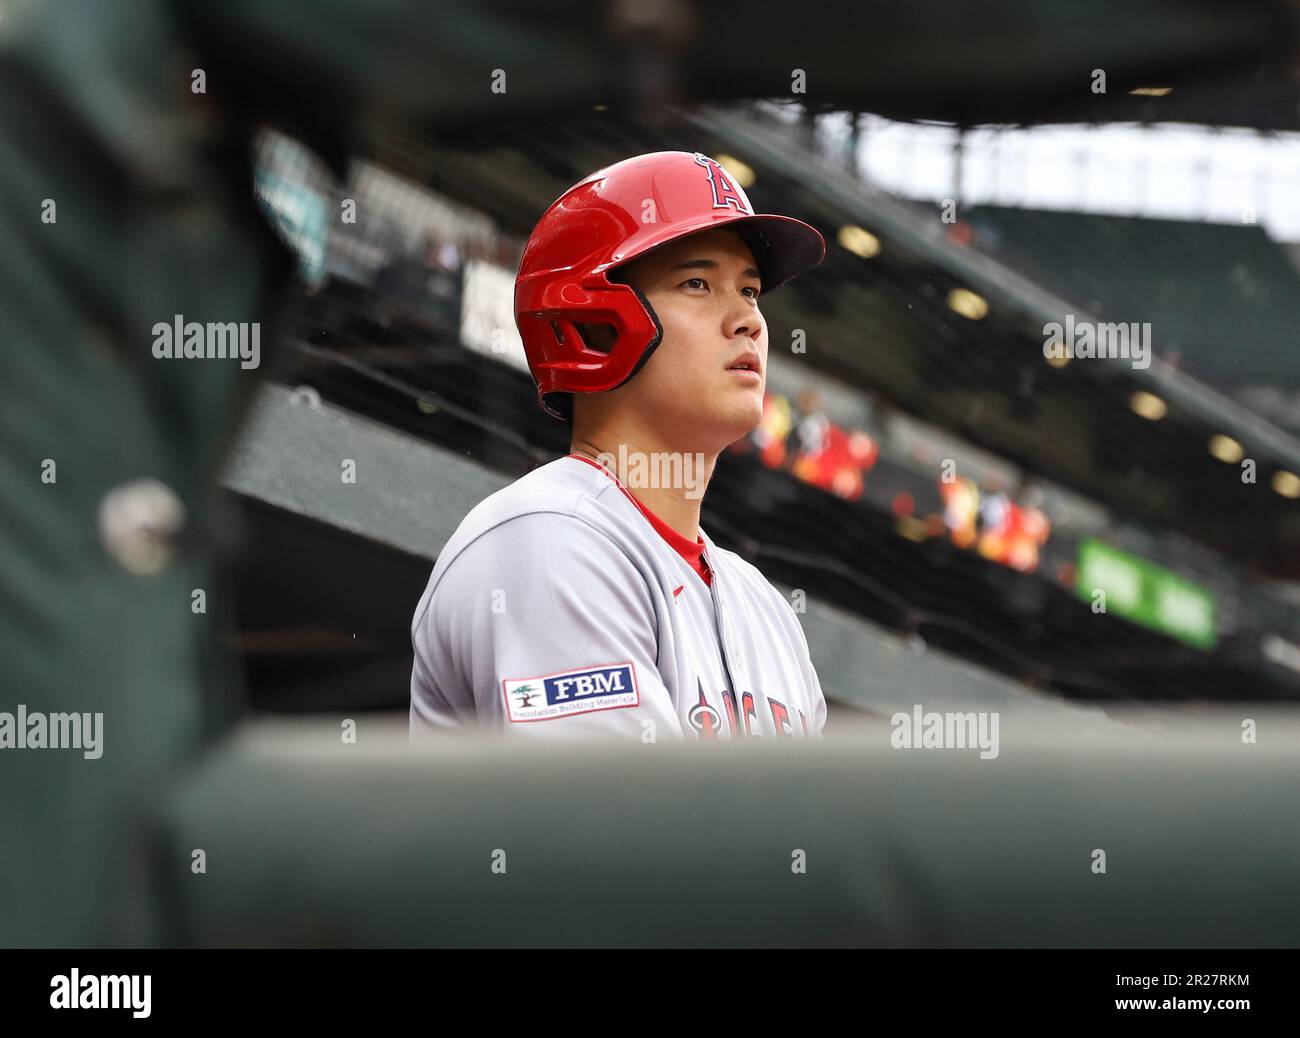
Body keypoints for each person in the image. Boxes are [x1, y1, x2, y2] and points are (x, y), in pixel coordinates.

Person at [409, 151, 827, 740]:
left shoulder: (768, 613)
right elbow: (620, 825)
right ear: (595, 319)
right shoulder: (547, 537)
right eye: (698, 283)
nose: (748, 321)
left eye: (752, 291)